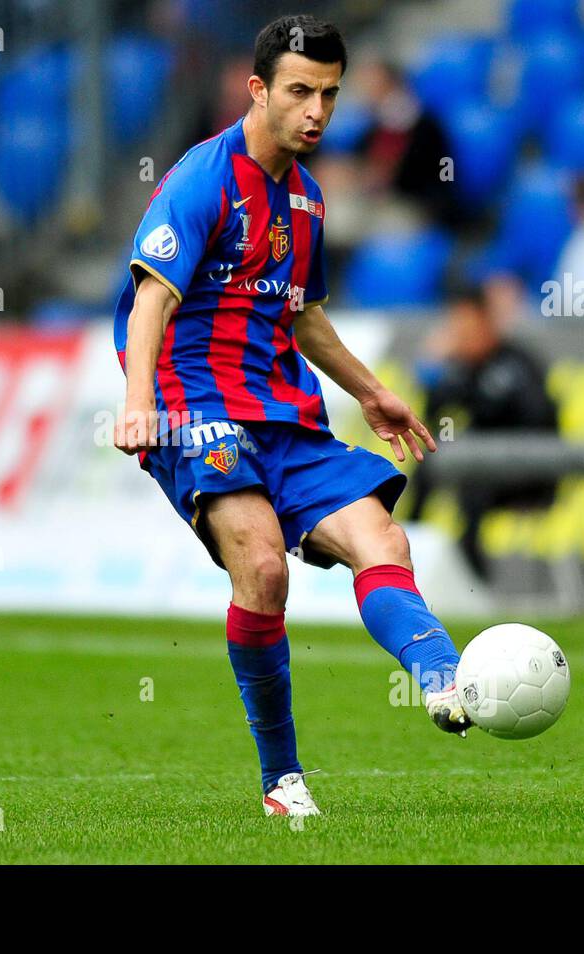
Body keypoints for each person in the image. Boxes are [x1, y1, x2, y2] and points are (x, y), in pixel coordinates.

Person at [113, 14, 468, 819]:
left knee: (382, 539)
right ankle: (283, 781)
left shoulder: (306, 195)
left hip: (282, 411)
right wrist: (138, 406)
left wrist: (371, 391)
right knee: (265, 571)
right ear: (258, 89)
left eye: (330, 95)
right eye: (300, 92)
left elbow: (301, 315)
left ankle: (445, 678)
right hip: (194, 406)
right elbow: (150, 299)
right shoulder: (203, 179)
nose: (316, 111)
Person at [412, 285, 559, 580]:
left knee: (474, 484)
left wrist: (484, 395)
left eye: (466, 326)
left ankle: (476, 578)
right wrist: (432, 370)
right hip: (479, 471)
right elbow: (433, 418)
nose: (460, 334)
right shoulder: (461, 368)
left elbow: (540, 419)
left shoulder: (517, 362)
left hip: (529, 474)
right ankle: (408, 550)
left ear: (485, 323)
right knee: (427, 470)